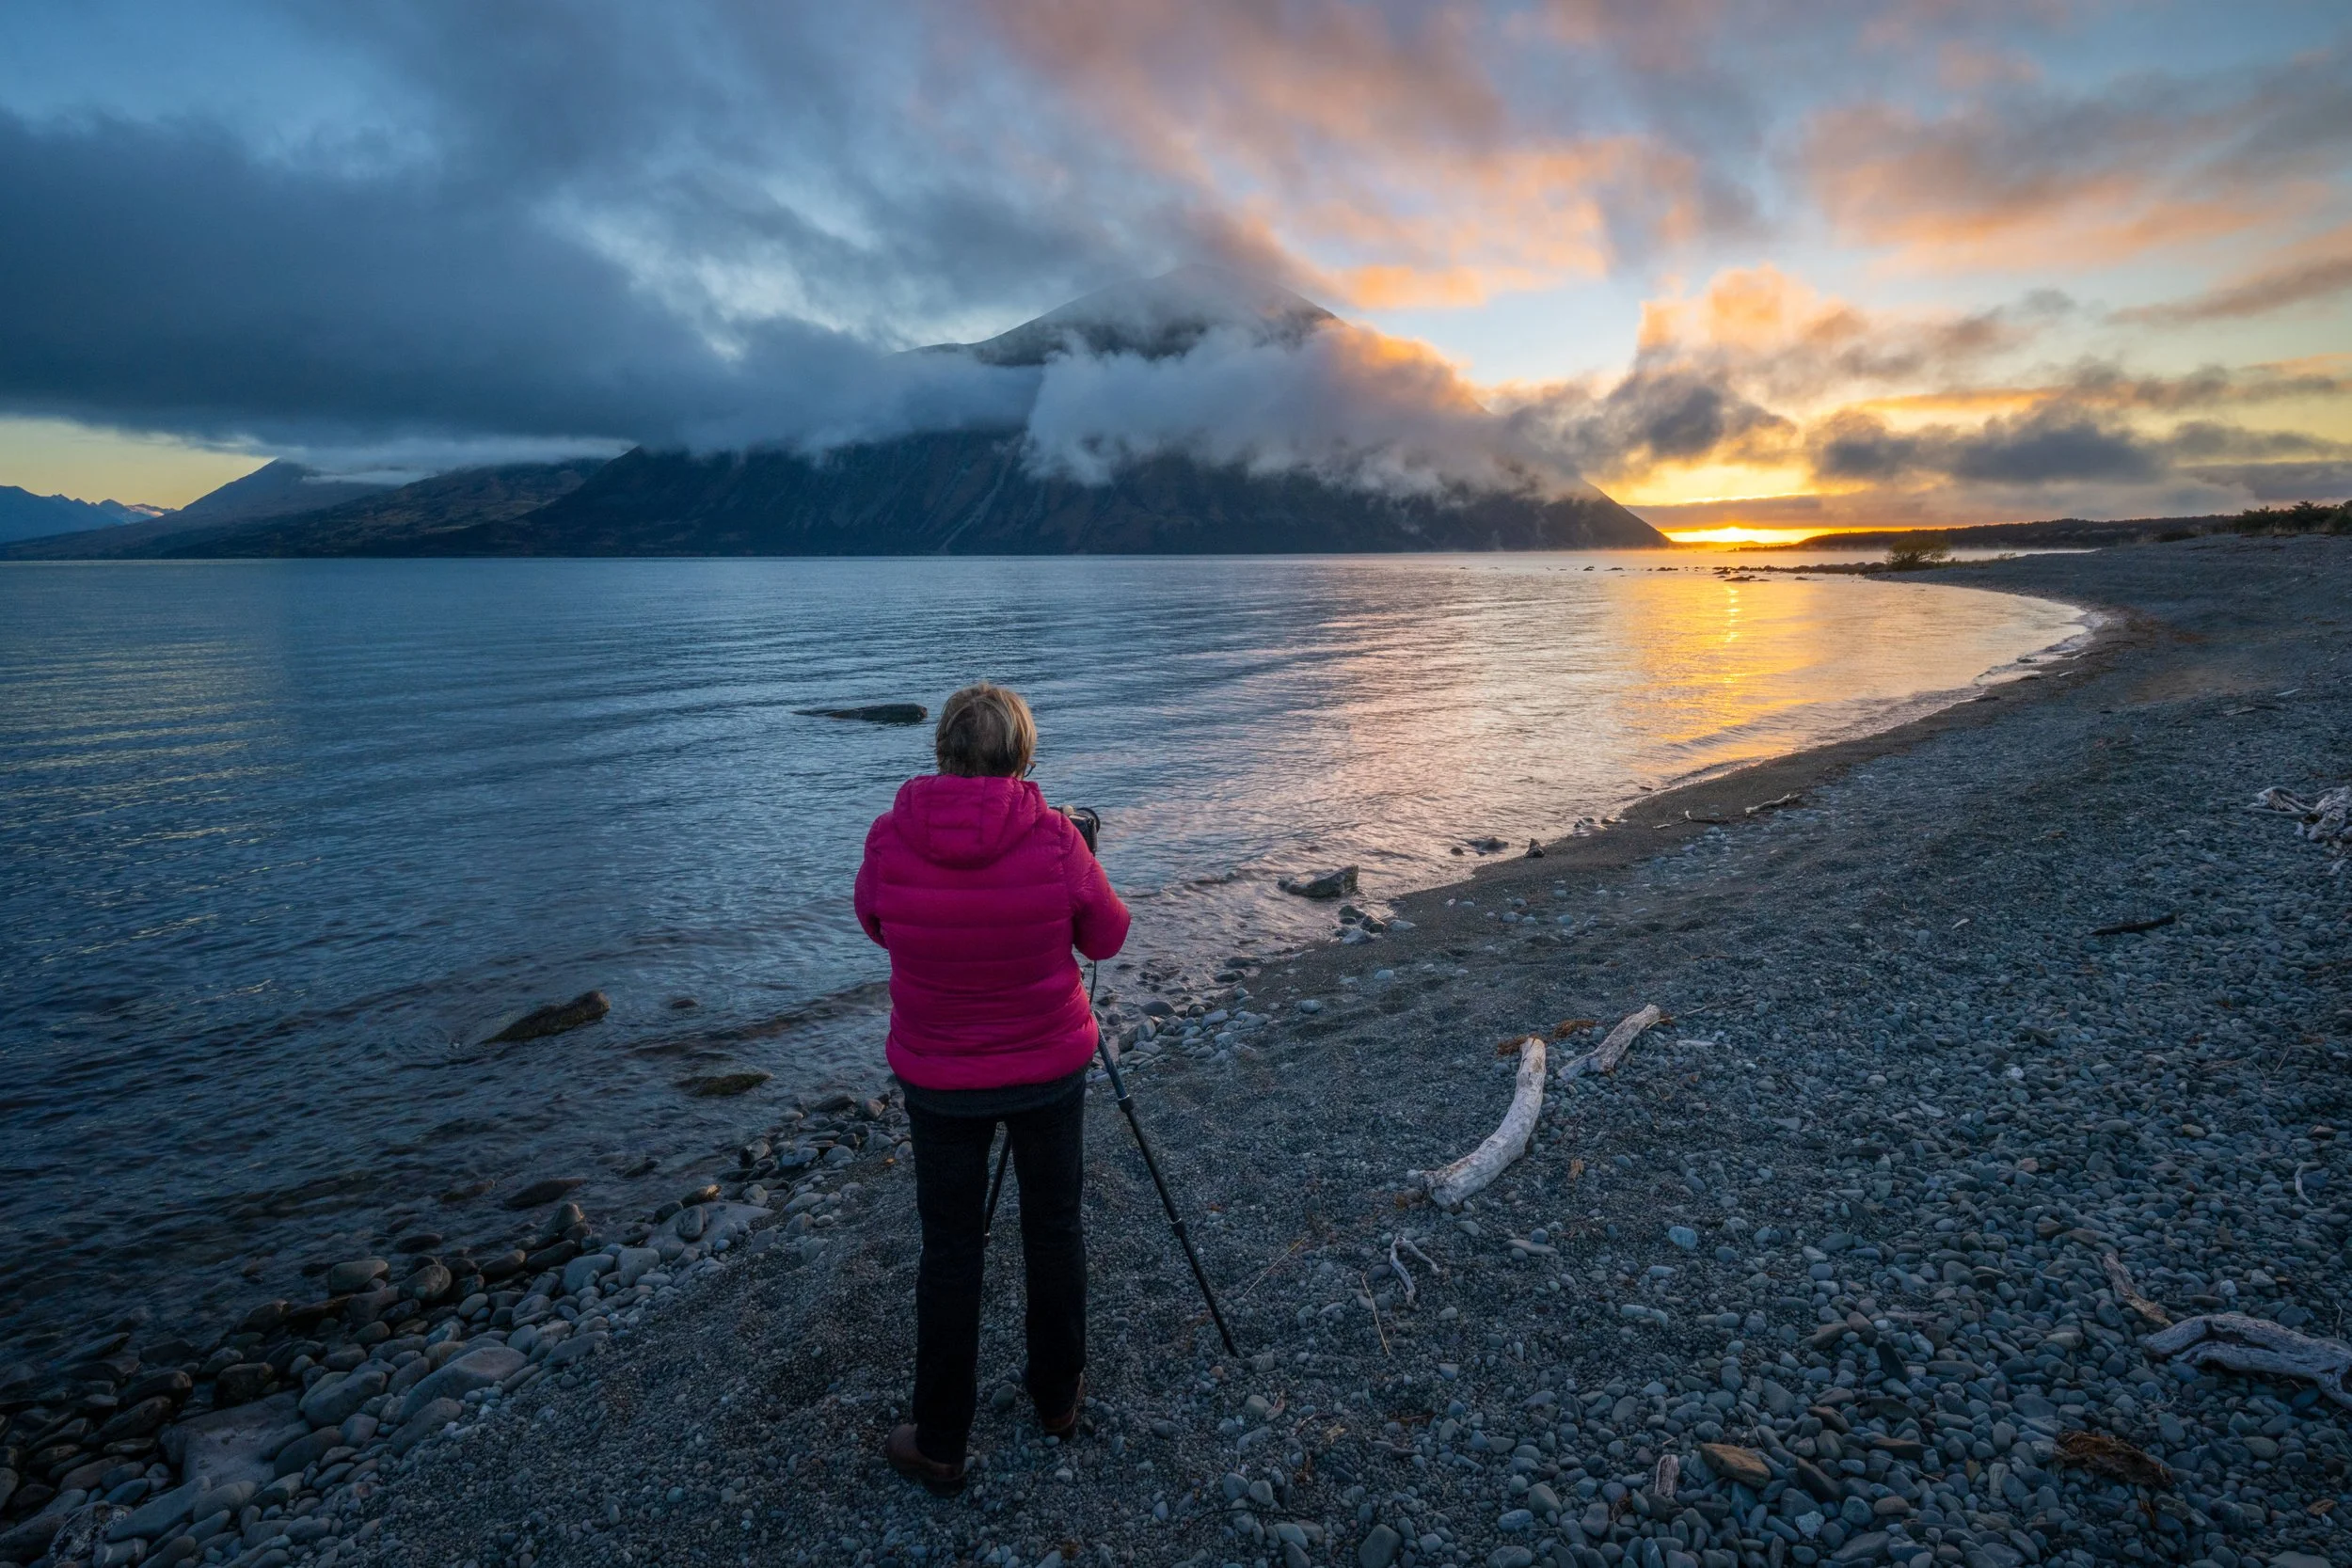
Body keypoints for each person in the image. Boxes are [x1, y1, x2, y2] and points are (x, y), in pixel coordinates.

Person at [853, 682, 1130, 1494]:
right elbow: (1107, 937)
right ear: (1022, 755)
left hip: (938, 1079)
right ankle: (1057, 1398)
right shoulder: (1053, 839)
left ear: (941, 749)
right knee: (1053, 1229)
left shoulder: (888, 837)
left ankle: (940, 1436)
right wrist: (1082, 859)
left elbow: (875, 922)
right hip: (1047, 1070)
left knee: (950, 1249)